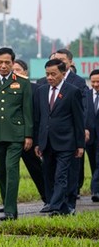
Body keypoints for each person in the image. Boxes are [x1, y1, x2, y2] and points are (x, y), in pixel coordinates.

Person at [0, 47, 33, 221]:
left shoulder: (23, 82)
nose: (3, 66)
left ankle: (10, 210)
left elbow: (27, 110)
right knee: (1, 171)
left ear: (12, 63)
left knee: (11, 169)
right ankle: (8, 206)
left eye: (7, 62)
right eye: (0, 62)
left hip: (16, 134)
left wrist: (28, 135)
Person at [34, 59, 85, 215]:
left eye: (53, 74)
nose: (50, 77)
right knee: (48, 175)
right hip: (46, 142)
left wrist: (80, 144)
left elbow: (78, 119)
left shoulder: (72, 91)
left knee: (61, 175)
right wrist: (38, 142)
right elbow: (39, 119)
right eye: (47, 74)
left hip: (66, 142)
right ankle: (59, 205)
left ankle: (55, 207)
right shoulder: (41, 91)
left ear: (63, 73)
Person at [12, 59, 47, 209]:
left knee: (37, 169)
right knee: (9, 172)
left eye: (18, 70)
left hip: (29, 138)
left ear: (25, 72)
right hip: (11, 137)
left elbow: (40, 116)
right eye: (13, 70)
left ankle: (48, 198)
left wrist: (35, 139)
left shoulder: (36, 89)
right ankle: (9, 204)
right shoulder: (4, 89)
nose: (15, 73)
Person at [84, 69, 99, 203]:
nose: (95, 84)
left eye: (98, 82)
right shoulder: (86, 95)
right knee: (94, 164)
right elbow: (82, 113)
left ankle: (95, 190)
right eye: (93, 81)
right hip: (89, 137)